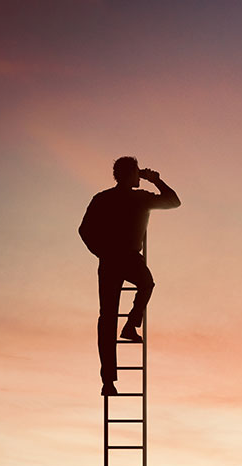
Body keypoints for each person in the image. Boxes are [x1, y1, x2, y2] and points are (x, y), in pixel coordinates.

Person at [79, 156, 181, 396]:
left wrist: (101, 252)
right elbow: (174, 201)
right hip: (119, 258)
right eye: (137, 172)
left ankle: (109, 378)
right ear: (130, 174)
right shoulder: (137, 198)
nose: (140, 175)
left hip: (113, 260)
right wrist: (155, 180)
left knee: (109, 317)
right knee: (138, 291)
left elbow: (84, 230)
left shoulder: (105, 198)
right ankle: (130, 328)